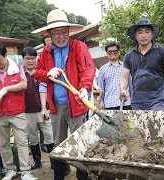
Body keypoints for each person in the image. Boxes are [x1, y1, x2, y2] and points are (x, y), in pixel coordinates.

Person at [32, 9, 95, 180]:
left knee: (79, 142)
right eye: (56, 32)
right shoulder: (46, 52)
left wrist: (84, 87)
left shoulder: (79, 47)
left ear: (69, 31)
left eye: (63, 32)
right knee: (59, 143)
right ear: (50, 34)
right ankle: (60, 173)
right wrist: (47, 73)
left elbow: (88, 69)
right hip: (56, 106)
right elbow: (36, 73)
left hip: (77, 104)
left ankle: (82, 175)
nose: (61, 36)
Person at [0, 42, 37, 180]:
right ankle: (10, 169)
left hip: (17, 111)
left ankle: (26, 172)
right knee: (3, 144)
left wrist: (6, 88)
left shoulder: (18, 67)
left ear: (5, 55)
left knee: (22, 142)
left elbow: (24, 84)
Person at [119, 19, 164, 110]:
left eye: (147, 31)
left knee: (158, 122)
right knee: (137, 124)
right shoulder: (129, 56)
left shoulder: (162, 52)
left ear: (152, 34)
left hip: (157, 100)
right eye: (140, 32)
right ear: (135, 35)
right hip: (137, 101)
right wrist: (122, 90)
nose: (143, 35)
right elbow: (124, 77)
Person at [21, 47, 54, 170]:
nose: (30, 61)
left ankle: (53, 161)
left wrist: (48, 108)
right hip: (27, 112)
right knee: (33, 137)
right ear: (23, 59)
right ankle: (37, 161)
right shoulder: (20, 74)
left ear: (37, 59)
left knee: (49, 136)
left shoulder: (41, 73)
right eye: (27, 58)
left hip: (43, 110)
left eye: (33, 58)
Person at [98, 41, 132, 110]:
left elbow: (131, 85)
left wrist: (133, 100)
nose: (112, 53)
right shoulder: (102, 69)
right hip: (110, 104)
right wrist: (101, 102)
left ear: (118, 52)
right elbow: (101, 88)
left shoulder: (126, 66)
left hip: (126, 103)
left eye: (115, 51)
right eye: (110, 52)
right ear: (106, 53)